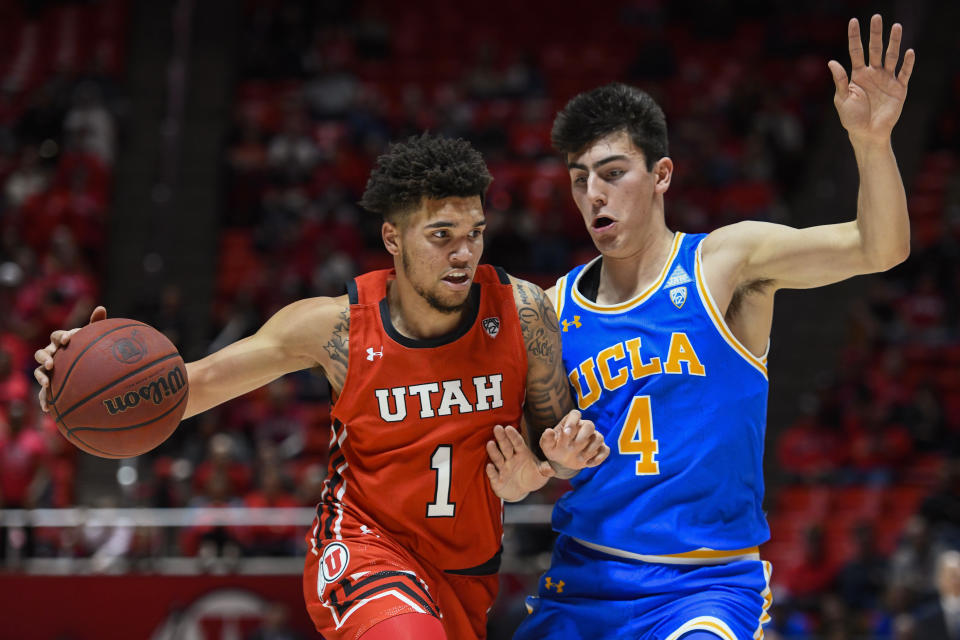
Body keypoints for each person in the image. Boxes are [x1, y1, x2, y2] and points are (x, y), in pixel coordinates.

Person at [33, 134, 610, 640]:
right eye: (441, 235)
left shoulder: (523, 312)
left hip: (468, 569)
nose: (464, 253)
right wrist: (80, 380)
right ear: (393, 237)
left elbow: (554, 443)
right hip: (364, 546)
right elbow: (194, 384)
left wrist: (539, 470)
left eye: (475, 233)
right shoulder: (334, 327)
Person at [512, 15, 915, 640]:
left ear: (662, 176)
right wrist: (541, 465)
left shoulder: (724, 262)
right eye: (579, 179)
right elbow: (534, 454)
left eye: (614, 173)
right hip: (583, 581)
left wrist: (872, 141)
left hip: (702, 588)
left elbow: (878, 247)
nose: (594, 194)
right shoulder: (549, 308)